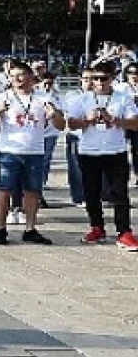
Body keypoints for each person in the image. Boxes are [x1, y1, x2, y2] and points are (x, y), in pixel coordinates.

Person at [0, 61, 64, 245]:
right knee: (4, 190)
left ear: (31, 77)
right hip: (9, 151)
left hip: (35, 151)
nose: (17, 79)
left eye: (21, 75)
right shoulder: (3, 98)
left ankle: (30, 228)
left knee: (33, 191)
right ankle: (0, 229)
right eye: (12, 76)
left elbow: (61, 125)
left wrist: (54, 115)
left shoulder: (44, 98)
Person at [66, 63, 138, 250]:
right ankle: (96, 227)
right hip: (89, 152)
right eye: (94, 78)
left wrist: (114, 119)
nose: (98, 82)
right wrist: (87, 120)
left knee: (119, 193)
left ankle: (124, 232)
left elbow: (135, 123)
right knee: (91, 193)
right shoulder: (82, 99)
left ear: (112, 79)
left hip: (115, 151)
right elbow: (71, 124)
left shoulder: (123, 98)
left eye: (103, 78)